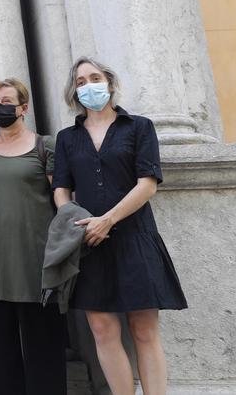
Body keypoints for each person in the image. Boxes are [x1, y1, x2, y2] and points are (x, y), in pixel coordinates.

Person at [52, 57, 186, 395]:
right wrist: (76, 222)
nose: (88, 85)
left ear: (109, 83)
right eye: (80, 81)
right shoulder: (67, 138)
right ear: (74, 91)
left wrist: (107, 219)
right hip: (90, 242)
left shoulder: (139, 127)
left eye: (94, 78)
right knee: (102, 330)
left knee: (143, 329)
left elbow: (147, 183)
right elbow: (61, 189)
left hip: (135, 236)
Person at [0, 78, 66, 395]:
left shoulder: (45, 147)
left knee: (43, 349)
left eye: (6, 100)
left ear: (24, 107)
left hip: (34, 262)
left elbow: (58, 196)